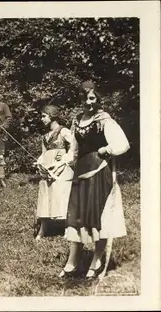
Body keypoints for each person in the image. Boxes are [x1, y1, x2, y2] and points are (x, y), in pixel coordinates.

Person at [59, 82, 130, 279]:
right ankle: (72, 261)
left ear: (97, 99)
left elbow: (123, 144)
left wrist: (106, 150)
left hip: (99, 172)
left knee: (96, 214)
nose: (89, 102)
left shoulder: (104, 120)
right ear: (80, 99)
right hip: (81, 171)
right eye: (85, 98)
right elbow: (73, 149)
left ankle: (96, 259)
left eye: (92, 98)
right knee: (77, 214)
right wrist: (63, 161)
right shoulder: (77, 121)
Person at [34, 105, 75, 240]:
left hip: (61, 168)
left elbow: (73, 148)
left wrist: (63, 160)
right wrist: (40, 163)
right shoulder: (45, 136)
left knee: (62, 195)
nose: (41, 119)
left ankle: (68, 227)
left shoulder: (64, 131)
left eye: (44, 116)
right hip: (47, 169)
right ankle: (43, 229)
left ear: (52, 116)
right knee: (45, 195)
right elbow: (43, 153)